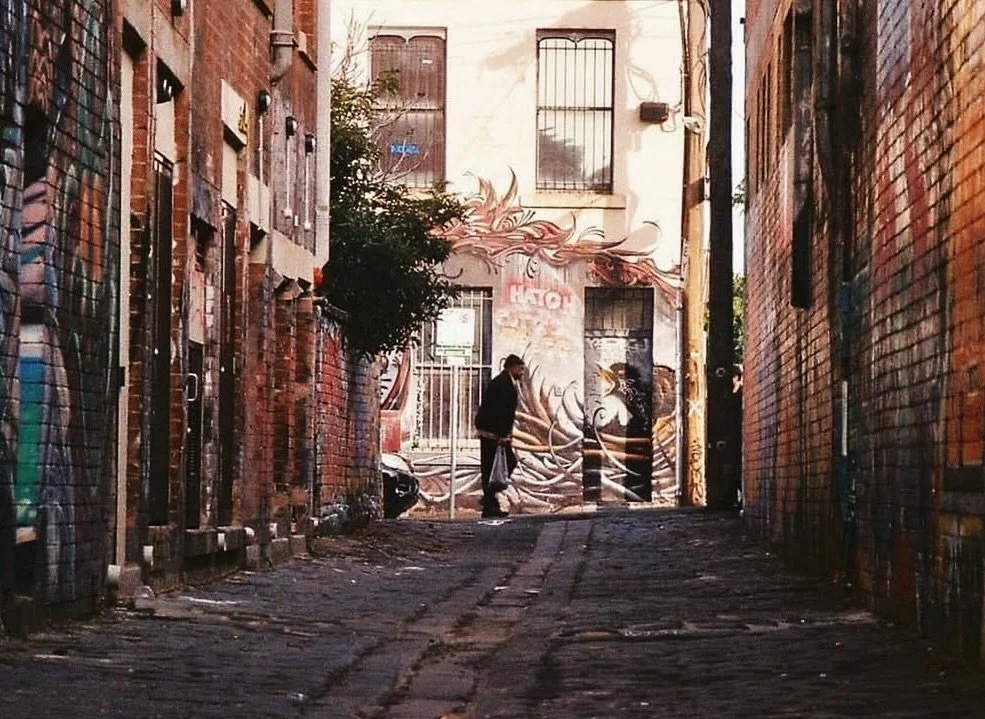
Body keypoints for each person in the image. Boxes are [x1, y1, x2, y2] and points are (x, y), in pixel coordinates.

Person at [474, 354, 525, 518]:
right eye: (520, 369)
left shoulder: (504, 382)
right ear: (512, 367)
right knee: (494, 467)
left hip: (494, 433)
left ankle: (490, 500)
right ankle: (490, 501)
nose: (522, 373)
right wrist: (503, 435)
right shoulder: (504, 385)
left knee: (495, 467)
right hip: (493, 434)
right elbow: (502, 412)